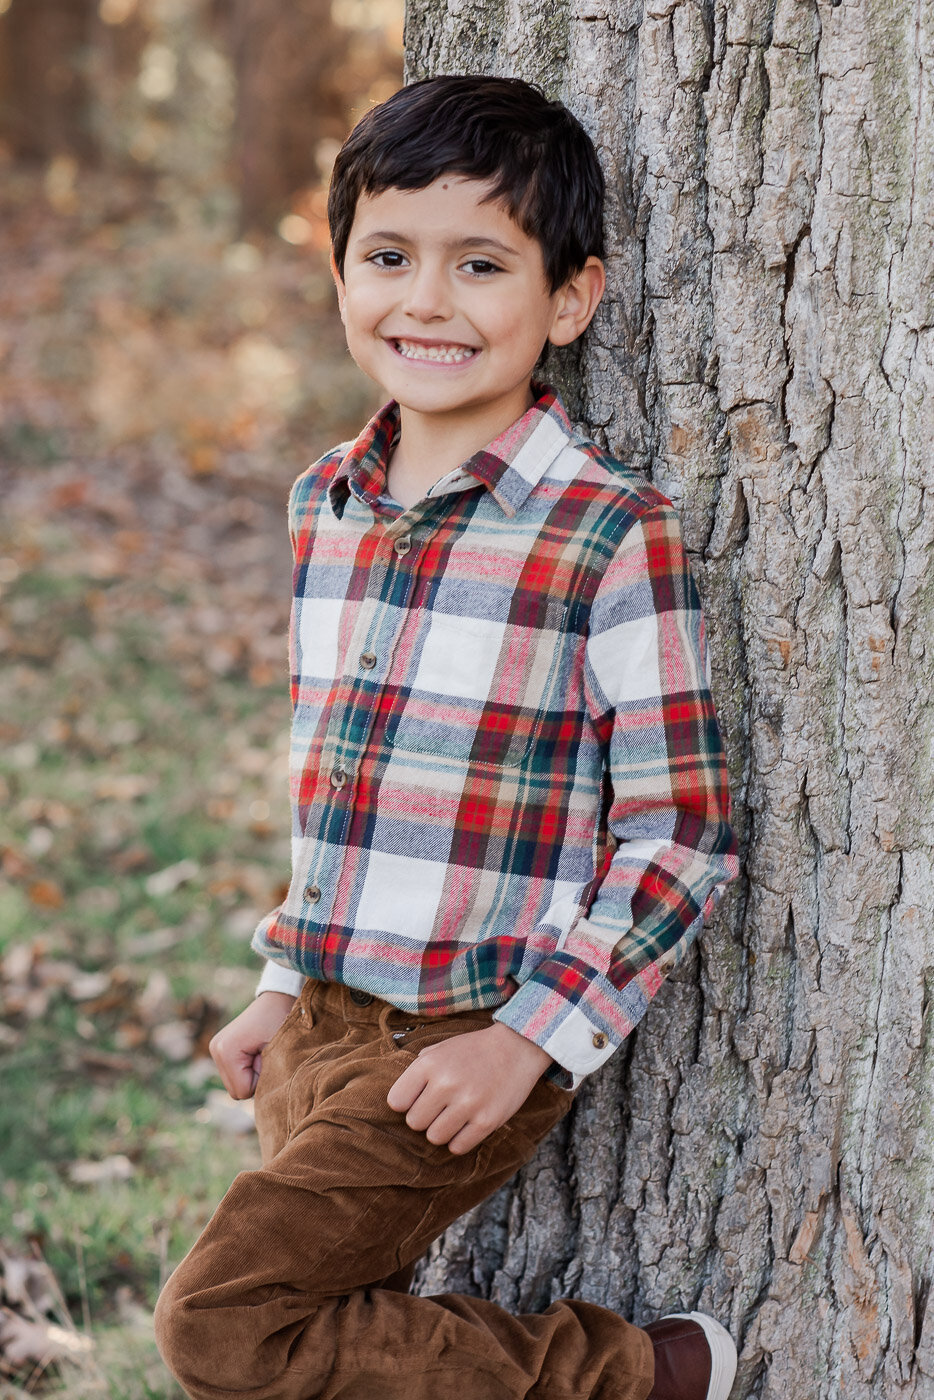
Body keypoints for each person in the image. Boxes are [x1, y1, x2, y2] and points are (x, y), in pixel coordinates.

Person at [154, 74, 741, 1400]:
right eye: (389, 257)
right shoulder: (326, 503)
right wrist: (272, 975)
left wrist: (529, 1036)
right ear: (341, 267)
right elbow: (342, 784)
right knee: (325, 1333)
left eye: (480, 264)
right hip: (319, 1014)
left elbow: (679, 832)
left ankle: (642, 1377)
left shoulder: (602, 532)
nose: (426, 301)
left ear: (569, 298)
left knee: (224, 1328)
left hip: (465, 1034)